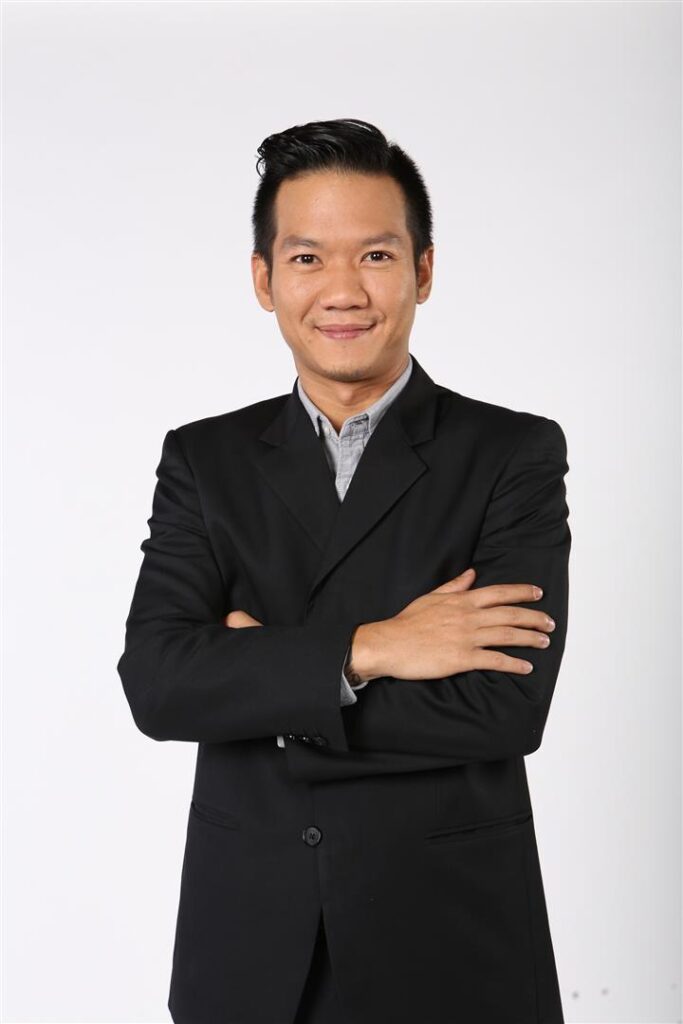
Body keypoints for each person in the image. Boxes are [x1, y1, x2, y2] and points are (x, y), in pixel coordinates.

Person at [117, 117, 571, 1024]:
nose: (343, 291)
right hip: (248, 942)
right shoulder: (204, 460)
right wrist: (373, 648)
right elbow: (159, 684)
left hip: (447, 937)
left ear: (422, 271)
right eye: (307, 258)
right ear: (264, 279)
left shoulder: (510, 453)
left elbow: (503, 707)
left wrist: (266, 689)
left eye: (375, 255)